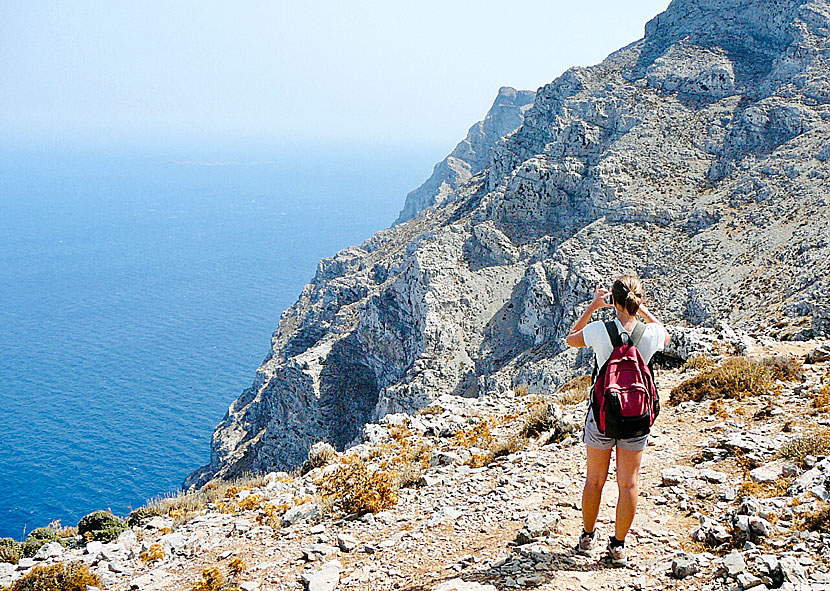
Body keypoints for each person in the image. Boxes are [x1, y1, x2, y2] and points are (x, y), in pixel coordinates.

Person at [565, 275, 670, 566]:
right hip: (637, 417)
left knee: (595, 480)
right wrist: (644, 311)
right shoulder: (650, 334)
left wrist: (592, 308)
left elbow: (572, 339)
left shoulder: (600, 330)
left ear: (612, 300)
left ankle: (587, 537)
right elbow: (666, 334)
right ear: (638, 300)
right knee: (629, 484)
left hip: (601, 416)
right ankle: (618, 546)